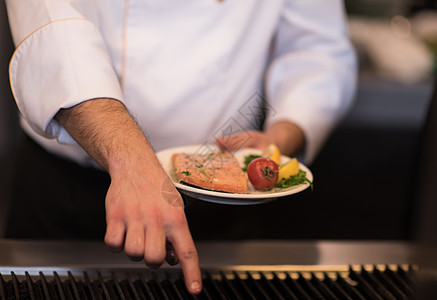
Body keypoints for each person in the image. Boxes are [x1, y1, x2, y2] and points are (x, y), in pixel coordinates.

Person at [4, 0, 357, 295]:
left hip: (224, 201)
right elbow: (51, 28)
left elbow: (315, 49)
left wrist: (281, 138)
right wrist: (130, 159)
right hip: (71, 199)